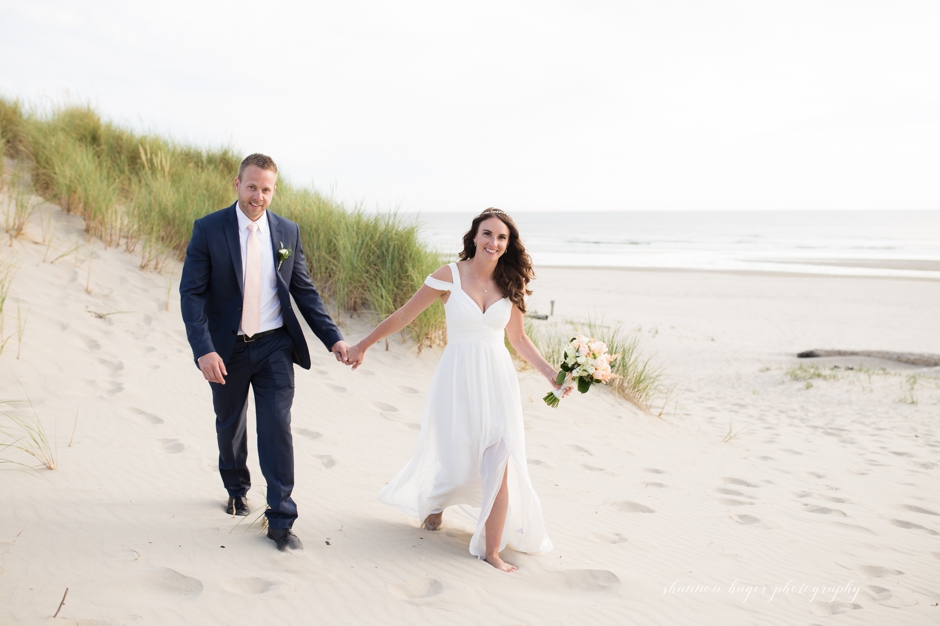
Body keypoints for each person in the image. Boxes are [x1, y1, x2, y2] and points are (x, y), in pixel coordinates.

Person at [345, 208, 568, 572]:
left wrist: (550, 374)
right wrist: (363, 345)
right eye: (487, 234)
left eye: (501, 237)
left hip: (497, 380)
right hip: (458, 377)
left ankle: (491, 550)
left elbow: (518, 338)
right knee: (457, 454)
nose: (493, 242)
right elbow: (404, 315)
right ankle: (436, 503)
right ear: (474, 237)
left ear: (508, 245)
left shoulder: (511, 284)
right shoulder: (448, 276)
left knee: (500, 459)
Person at [179, 153, 350, 552]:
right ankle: (236, 486)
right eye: (252, 186)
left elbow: (304, 291)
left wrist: (334, 338)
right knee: (230, 423)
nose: (259, 196)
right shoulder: (208, 229)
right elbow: (192, 295)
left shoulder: (287, 231)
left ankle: (280, 520)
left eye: (266, 189)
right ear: (237, 184)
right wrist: (203, 350)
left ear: (274, 191)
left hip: (275, 345)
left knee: (276, 428)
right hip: (227, 349)